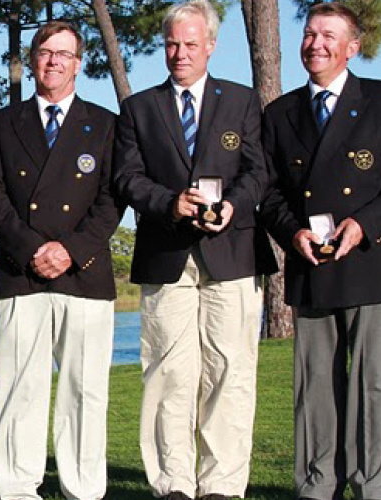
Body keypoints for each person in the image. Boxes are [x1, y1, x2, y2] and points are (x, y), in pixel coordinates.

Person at [259, 4, 381, 500]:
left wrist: (363, 224)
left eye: (328, 36)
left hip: (373, 261)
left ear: (353, 47)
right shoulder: (280, 113)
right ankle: (318, 485)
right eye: (310, 34)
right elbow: (268, 191)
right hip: (311, 263)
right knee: (314, 385)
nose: (316, 44)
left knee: (372, 384)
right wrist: (292, 232)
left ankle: (374, 487)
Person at [112, 1, 274, 498]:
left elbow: (258, 171)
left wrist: (233, 206)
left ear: (211, 46)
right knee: (169, 372)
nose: (180, 53)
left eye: (190, 43)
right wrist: (169, 203)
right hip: (166, 255)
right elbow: (126, 178)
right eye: (172, 44)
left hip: (233, 251)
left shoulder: (242, 101)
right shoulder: (139, 108)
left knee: (230, 370)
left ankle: (222, 484)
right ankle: (174, 483)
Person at [0, 20, 122, 500]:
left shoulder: (105, 124)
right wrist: (31, 248)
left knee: (85, 391)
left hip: (85, 274)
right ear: (32, 60)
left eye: (64, 54)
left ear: (78, 64)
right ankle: (18, 488)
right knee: (19, 387)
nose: (54, 61)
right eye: (45, 52)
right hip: (22, 273)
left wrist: (70, 250)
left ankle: (83, 490)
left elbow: (111, 200)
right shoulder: (3, 124)